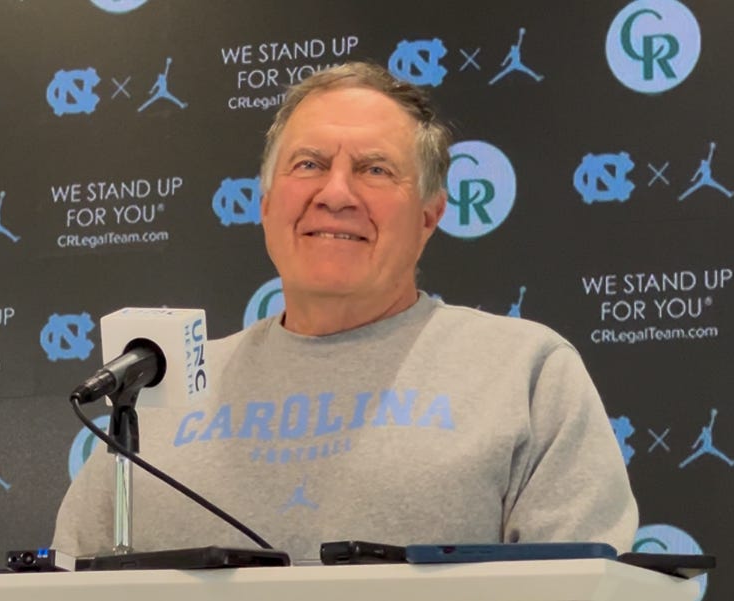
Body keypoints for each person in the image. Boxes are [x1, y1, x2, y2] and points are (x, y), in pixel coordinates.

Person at [52, 62, 637, 562]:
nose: (334, 193)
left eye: (375, 169)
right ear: (264, 200)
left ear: (430, 214)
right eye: (307, 164)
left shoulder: (525, 372)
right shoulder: (152, 387)